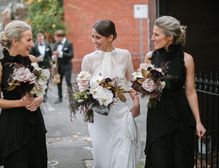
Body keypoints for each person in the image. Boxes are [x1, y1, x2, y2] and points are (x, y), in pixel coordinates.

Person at [144, 16, 206, 168]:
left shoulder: (187, 59)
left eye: (156, 34)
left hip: (180, 115)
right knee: (159, 158)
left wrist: (198, 121)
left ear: (170, 37)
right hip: (157, 115)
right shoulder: (150, 57)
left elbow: (191, 92)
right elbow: (145, 86)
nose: (153, 38)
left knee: (180, 158)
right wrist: (144, 86)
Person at [81, 19, 140, 168]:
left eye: (98, 37)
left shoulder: (125, 55)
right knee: (103, 158)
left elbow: (130, 82)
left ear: (111, 37)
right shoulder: (88, 59)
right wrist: (85, 103)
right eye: (92, 36)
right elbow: (83, 90)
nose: (94, 41)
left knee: (123, 155)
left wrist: (136, 101)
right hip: (99, 117)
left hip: (121, 114)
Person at [0, 20, 47, 168]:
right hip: (12, 125)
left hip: (34, 121)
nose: (32, 44)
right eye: (28, 40)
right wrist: (21, 103)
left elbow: (40, 90)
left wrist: (39, 98)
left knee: (38, 162)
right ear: (15, 41)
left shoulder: (33, 60)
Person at [52, 29, 73, 104]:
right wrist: (53, 57)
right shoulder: (56, 44)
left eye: (56, 38)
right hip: (59, 67)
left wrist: (60, 53)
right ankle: (60, 97)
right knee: (58, 82)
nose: (55, 39)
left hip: (67, 66)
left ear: (60, 37)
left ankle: (72, 99)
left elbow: (71, 55)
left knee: (68, 82)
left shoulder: (69, 44)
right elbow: (53, 54)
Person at [31, 31, 52, 102]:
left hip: (46, 66)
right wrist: (36, 59)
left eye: (41, 36)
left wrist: (52, 64)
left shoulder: (48, 45)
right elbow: (31, 56)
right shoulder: (34, 46)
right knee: (38, 80)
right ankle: (39, 94)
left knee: (46, 81)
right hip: (38, 67)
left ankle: (45, 95)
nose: (40, 37)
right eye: (38, 36)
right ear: (37, 38)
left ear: (43, 37)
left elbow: (50, 55)